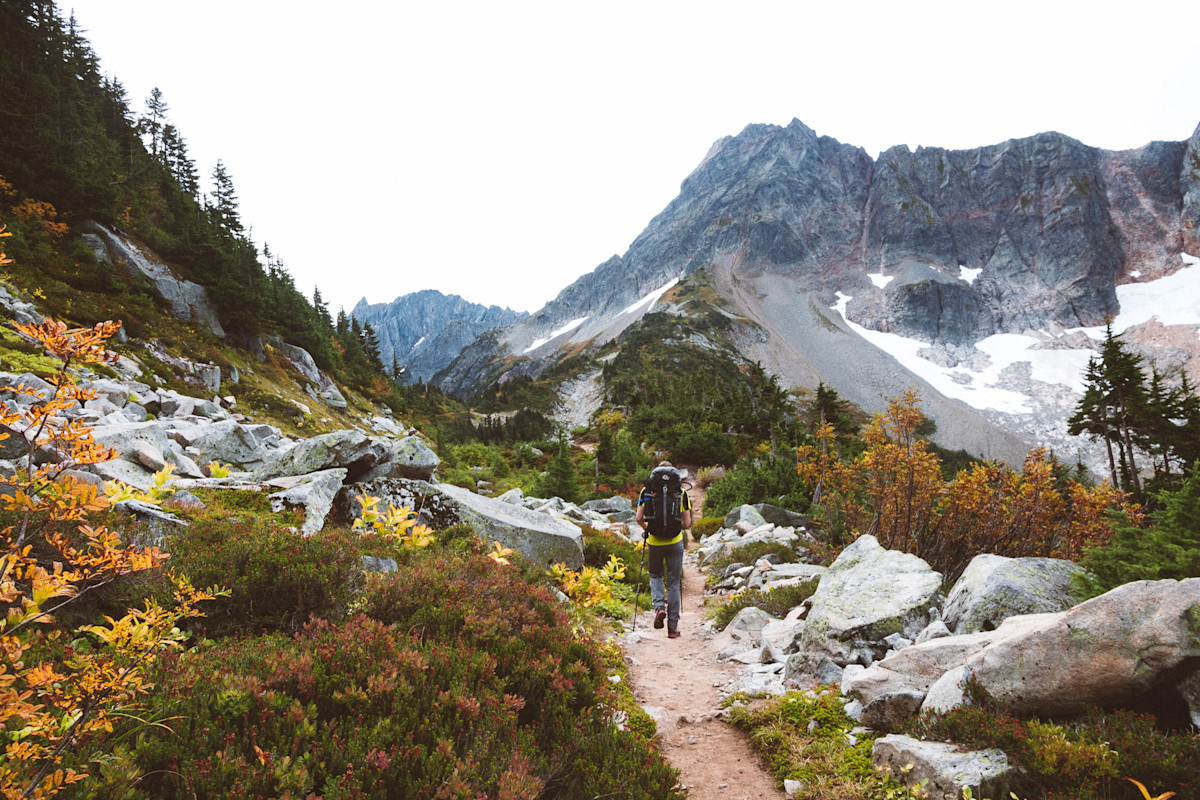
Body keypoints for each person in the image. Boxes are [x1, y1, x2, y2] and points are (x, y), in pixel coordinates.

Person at [635, 461, 692, 639]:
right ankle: (673, 628)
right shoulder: (681, 493)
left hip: (654, 542)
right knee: (674, 583)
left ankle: (659, 607)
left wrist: (647, 528)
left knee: (655, 576)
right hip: (675, 542)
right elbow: (688, 523)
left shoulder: (647, 492)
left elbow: (638, 518)